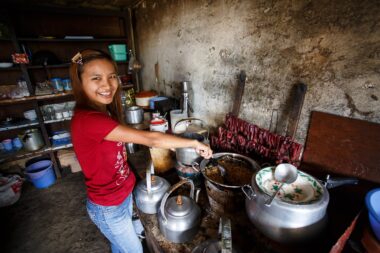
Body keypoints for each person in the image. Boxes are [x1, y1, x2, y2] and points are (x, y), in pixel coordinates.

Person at [69, 49, 212, 253]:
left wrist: (169, 143)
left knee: (121, 245)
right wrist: (192, 144)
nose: (107, 85)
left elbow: (126, 145)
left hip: (123, 196)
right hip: (108, 207)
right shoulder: (88, 120)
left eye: (111, 77)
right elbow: (149, 138)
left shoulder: (101, 110)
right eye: (96, 78)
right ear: (79, 82)